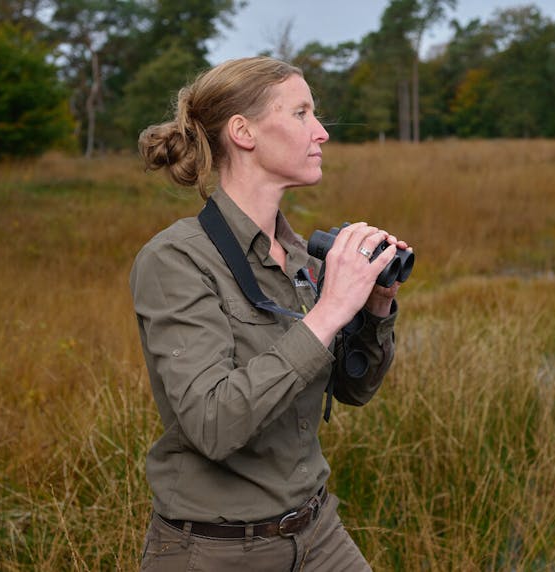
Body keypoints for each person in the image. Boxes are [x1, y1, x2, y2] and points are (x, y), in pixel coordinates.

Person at [130, 56, 409, 571]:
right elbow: (212, 423)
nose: (322, 132)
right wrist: (330, 309)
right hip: (216, 549)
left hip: (317, 532)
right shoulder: (175, 260)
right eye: (301, 113)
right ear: (243, 132)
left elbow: (354, 390)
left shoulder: (299, 257)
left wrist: (374, 306)